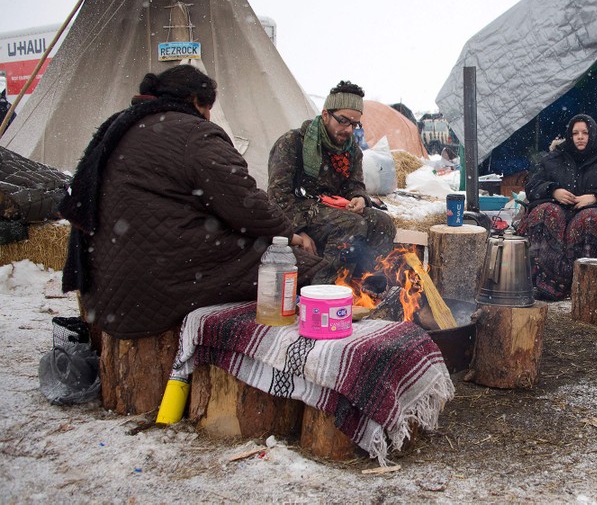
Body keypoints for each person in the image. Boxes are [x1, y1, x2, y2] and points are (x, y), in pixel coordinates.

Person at [59, 65, 327, 339]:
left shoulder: (122, 125)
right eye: (208, 107)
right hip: (158, 277)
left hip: (111, 283)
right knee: (299, 267)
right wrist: (289, 235)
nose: (210, 115)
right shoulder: (194, 134)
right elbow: (245, 203)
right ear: (196, 101)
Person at [268, 80, 396, 283]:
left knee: (382, 222)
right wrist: (296, 231)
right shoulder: (293, 143)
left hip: (333, 208)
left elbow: (354, 185)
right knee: (352, 224)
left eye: (354, 124)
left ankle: (362, 283)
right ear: (326, 114)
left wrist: (359, 198)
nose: (348, 130)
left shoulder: (351, 149)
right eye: (343, 121)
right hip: (300, 209)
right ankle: (324, 288)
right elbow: (278, 195)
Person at [518, 114, 597, 300]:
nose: (580, 137)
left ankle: (578, 285)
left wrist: (596, 197)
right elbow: (532, 185)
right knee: (547, 212)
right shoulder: (553, 158)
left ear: (594, 134)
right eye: (575, 133)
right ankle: (546, 282)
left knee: (587, 219)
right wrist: (553, 191)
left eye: (585, 132)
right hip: (559, 212)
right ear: (569, 135)